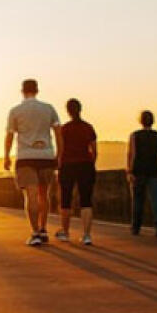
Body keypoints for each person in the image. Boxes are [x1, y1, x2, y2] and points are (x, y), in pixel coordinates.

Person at [4, 78, 63, 246]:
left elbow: (10, 135)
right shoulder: (48, 108)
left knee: (31, 195)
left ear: (22, 91)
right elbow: (58, 132)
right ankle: (44, 228)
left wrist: (7, 155)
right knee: (44, 194)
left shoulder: (15, 111)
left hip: (25, 157)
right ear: (37, 90)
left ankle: (35, 232)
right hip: (45, 156)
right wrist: (58, 154)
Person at [56, 98, 97, 245]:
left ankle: (65, 232)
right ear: (80, 109)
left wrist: (59, 165)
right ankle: (86, 235)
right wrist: (91, 163)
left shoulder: (64, 129)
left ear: (68, 111)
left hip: (67, 165)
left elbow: (60, 150)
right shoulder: (88, 127)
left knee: (66, 200)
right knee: (86, 201)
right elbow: (94, 150)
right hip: (85, 164)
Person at [127, 110, 157, 237]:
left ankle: (136, 227)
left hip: (139, 172)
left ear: (141, 121)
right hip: (156, 170)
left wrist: (130, 170)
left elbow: (132, 154)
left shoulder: (135, 135)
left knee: (138, 201)